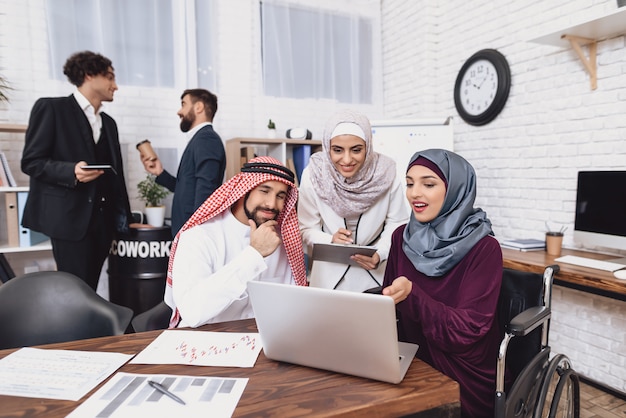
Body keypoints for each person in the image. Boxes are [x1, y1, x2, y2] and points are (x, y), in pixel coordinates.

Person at [381, 149, 503, 417]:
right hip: (410, 354)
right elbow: (389, 298)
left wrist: (412, 296)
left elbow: (467, 330)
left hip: (460, 368)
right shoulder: (401, 236)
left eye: (429, 184)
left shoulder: (484, 248)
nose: (415, 193)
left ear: (457, 189)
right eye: (410, 183)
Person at [21, 51, 135, 290]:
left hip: (103, 223)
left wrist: (125, 219)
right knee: (73, 291)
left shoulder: (109, 123)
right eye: (110, 77)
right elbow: (31, 161)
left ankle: (92, 329)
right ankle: (75, 329)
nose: (115, 86)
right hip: (69, 221)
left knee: (90, 289)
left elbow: (117, 176)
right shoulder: (51, 108)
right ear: (89, 75)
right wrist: (71, 171)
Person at [164, 156, 307, 328]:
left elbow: (290, 305)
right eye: (264, 191)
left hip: (263, 340)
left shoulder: (283, 240)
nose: (271, 204)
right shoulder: (199, 237)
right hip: (204, 340)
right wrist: (254, 255)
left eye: (280, 196)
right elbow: (193, 312)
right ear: (242, 190)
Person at [298, 109, 408, 292]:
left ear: (368, 146)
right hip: (327, 278)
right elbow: (306, 227)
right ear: (327, 147)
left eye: (356, 150)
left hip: (375, 273)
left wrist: (380, 253)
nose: (347, 159)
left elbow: (398, 222)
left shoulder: (387, 172)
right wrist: (329, 239)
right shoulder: (314, 174)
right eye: (337, 150)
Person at [141, 88, 226, 236]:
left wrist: (195, 234)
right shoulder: (199, 139)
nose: (179, 111)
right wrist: (160, 172)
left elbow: (206, 190)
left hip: (192, 234)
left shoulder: (206, 139)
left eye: (183, 104)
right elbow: (187, 189)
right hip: (187, 232)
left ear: (198, 107)